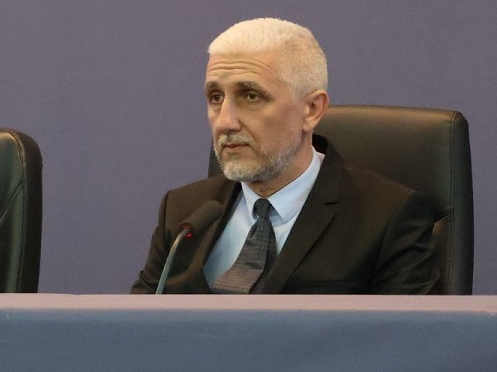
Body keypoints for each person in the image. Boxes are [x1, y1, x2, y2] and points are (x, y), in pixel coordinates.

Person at [132, 17, 438, 294]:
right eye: (215, 97)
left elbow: (405, 337)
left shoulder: (386, 217)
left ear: (312, 110)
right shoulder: (184, 214)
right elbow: (136, 327)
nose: (225, 122)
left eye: (250, 96)